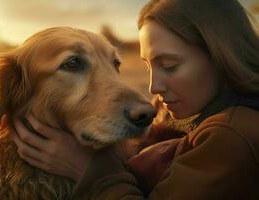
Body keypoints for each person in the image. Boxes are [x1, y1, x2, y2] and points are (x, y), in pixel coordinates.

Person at [13, 0, 259, 199]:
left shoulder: (232, 137)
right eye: (149, 66)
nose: (154, 87)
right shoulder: (174, 108)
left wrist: (89, 172)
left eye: (169, 65)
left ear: (221, 57)